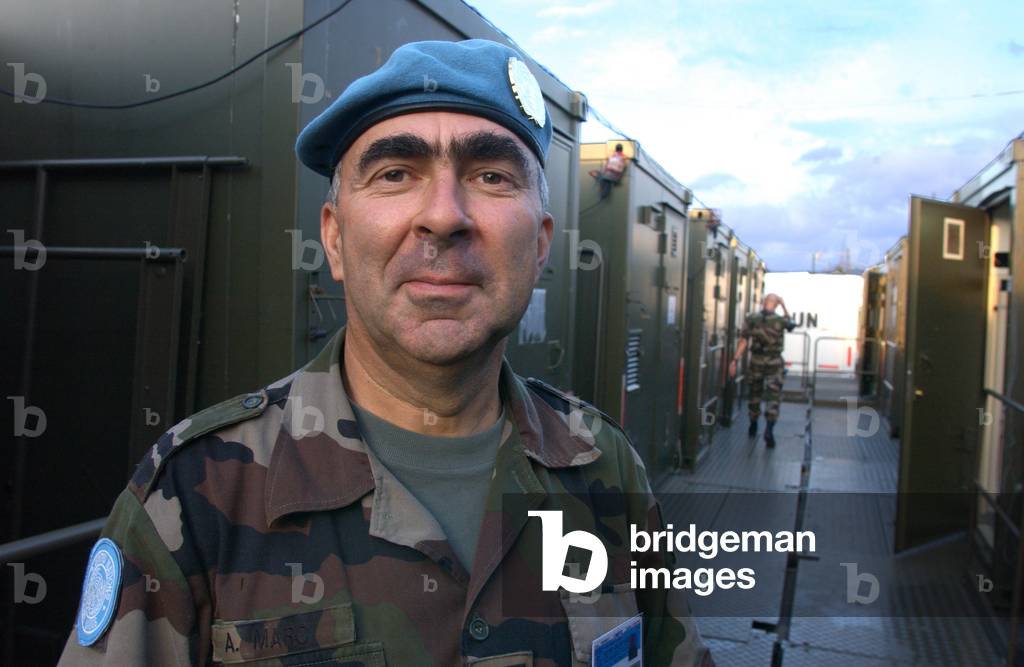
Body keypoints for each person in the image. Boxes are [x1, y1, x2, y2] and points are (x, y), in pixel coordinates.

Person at [58, 39, 713, 666]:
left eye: (490, 175)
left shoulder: (605, 471)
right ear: (335, 240)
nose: (443, 216)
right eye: (396, 174)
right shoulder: (196, 497)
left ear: (541, 244)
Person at [729, 293, 795, 447]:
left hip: (756, 361)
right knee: (773, 396)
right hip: (774, 362)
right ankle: (769, 429)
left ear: (764, 302)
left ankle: (753, 423)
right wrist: (784, 305)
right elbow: (791, 324)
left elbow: (744, 341)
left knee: (755, 393)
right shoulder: (780, 320)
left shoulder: (752, 319)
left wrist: (735, 360)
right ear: (776, 304)